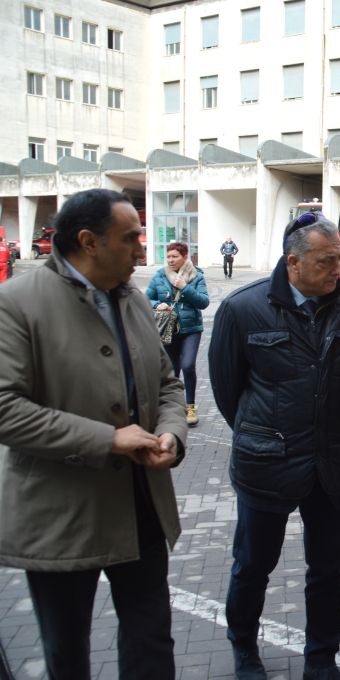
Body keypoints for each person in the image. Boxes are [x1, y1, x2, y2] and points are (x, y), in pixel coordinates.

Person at [0, 188, 188, 680]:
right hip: (61, 516)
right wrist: (107, 439)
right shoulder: (15, 304)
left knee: (151, 642)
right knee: (67, 653)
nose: (143, 251)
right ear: (88, 241)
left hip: (141, 503)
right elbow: (5, 410)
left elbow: (168, 383)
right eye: (130, 239)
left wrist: (171, 433)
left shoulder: (135, 300)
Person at [209, 211, 340, 680]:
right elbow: (225, 390)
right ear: (293, 262)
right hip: (268, 465)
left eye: (339, 260)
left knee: (326, 571)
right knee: (253, 565)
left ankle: (321, 659)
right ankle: (244, 647)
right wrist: (264, 435)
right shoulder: (242, 309)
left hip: (331, 463)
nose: (337, 271)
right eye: (326, 262)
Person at [147, 242, 209, 426]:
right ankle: (173, 409)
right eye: (168, 257)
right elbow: (146, 297)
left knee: (188, 365)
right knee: (173, 371)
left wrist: (184, 287)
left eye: (175, 256)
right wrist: (156, 304)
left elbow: (203, 302)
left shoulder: (196, 275)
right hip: (168, 329)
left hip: (191, 329)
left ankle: (190, 406)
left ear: (184, 257)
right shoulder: (160, 275)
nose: (171, 260)